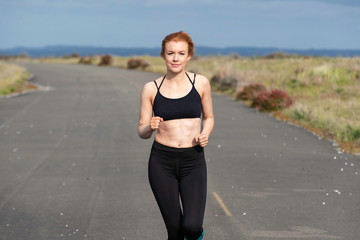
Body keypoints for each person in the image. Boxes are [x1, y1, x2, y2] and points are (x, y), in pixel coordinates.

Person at [138, 31, 214, 240]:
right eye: (170, 53)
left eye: (181, 53)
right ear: (163, 55)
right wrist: (150, 127)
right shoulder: (151, 88)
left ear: (189, 56)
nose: (175, 58)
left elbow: (209, 117)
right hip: (162, 162)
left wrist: (205, 133)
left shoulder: (200, 83)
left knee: (191, 226)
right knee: (175, 229)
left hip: (193, 161)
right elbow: (142, 131)